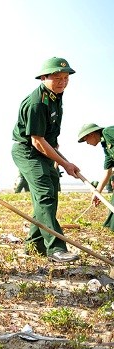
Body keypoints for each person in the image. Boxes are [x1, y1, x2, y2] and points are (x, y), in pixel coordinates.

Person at [11, 57, 80, 263]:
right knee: (44, 195)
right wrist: (64, 164)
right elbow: (37, 141)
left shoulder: (56, 97)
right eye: (57, 78)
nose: (62, 82)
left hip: (44, 150)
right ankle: (56, 248)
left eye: (65, 78)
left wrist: (62, 159)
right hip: (28, 151)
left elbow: (50, 137)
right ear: (44, 77)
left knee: (50, 196)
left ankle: (34, 245)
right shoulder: (37, 103)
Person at [77, 123, 114, 232]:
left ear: (92, 134)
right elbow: (107, 172)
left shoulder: (108, 132)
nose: (86, 143)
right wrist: (97, 192)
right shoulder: (106, 147)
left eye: (85, 139)